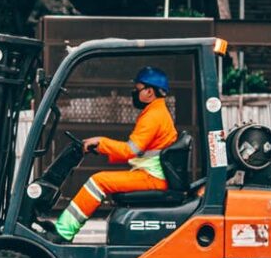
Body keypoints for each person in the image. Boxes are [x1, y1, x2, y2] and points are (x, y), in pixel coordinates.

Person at [54, 66, 178, 242]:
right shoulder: (155, 113)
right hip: (151, 176)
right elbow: (136, 151)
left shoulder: (154, 116)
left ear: (149, 92)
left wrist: (102, 142)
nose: (134, 93)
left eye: (137, 89)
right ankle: (63, 229)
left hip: (152, 178)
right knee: (101, 180)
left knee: (98, 181)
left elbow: (130, 150)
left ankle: (62, 233)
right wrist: (102, 146)